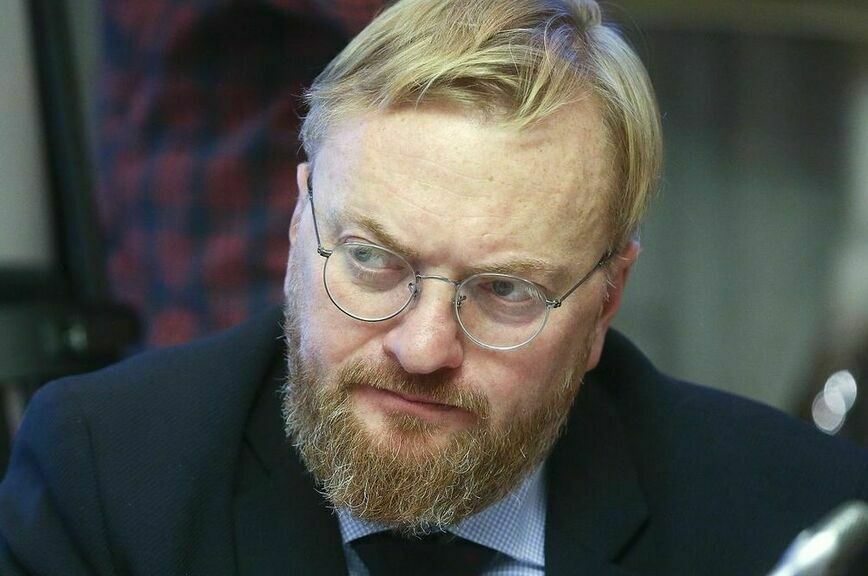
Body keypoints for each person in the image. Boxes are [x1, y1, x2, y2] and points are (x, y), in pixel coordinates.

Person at [2, 0, 867, 575]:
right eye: (373, 261)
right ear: (300, 226)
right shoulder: (108, 481)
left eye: (505, 292)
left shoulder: (792, 518)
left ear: (605, 302)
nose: (422, 349)